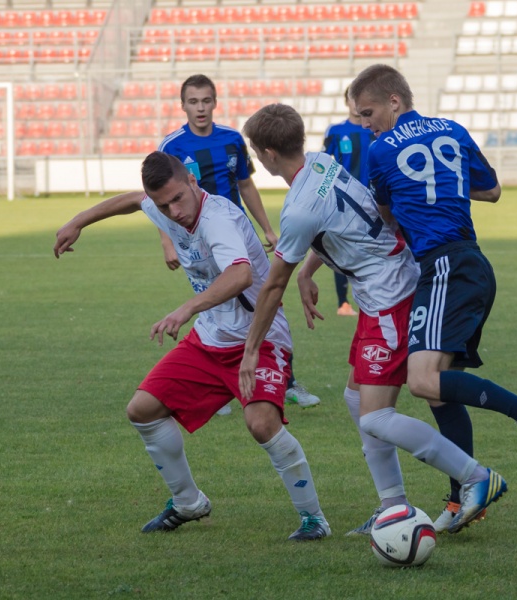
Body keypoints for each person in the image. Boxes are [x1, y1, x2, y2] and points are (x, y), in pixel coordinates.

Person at [238, 103, 507, 535]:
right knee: (355, 399)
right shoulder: (323, 163)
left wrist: (251, 350)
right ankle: (392, 505)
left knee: (375, 417)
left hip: (389, 300)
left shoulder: (298, 208)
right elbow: (348, 222)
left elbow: (272, 286)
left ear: (268, 154)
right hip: (382, 290)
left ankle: (475, 476)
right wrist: (309, 271)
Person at [53, 151, 330, 541]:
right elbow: (133, 200)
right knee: (142, 410)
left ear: (193, 182)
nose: (174, 212)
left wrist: (186, 308)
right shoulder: (164, 206)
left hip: (260, 337)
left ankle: (314, 519)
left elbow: (240, 274)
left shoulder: (218, 220)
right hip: (211, 338)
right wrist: (77, 221)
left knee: (261, 423)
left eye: (178, 199)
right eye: (164, 205)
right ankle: (188, 502)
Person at [348, 64, 517, 530]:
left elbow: (385, 215)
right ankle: (461, 499)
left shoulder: (381, 149)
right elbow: (493, 190)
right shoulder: (453, 129)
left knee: (422, 381)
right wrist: (446, 188)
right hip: (470, 263)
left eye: (367, 113)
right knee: (441, 393)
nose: (365, 124)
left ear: (394, 101)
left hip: (444, 267)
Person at [158, 74, 320, 411]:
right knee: (217, 309)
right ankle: (220, 383)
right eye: (193, 101)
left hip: (238, 237)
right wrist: (167, 242)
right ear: (183, 105)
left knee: (269, 303)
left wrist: (267, 229)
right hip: (200, 243)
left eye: (206, 101)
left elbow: (246, 186)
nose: (200, 108)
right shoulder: (171, 145)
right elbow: (159, 197)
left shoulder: (232, 139)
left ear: (215, 102)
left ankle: (286, 381)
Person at [321, 86, 376, 317]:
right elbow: (324, 162)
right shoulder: (336, 131)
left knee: (374, 249)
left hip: (374, 201)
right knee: (342, 250)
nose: (356, 104)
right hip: (344, 201)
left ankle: (374, 298)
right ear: (347, 102)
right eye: (352, 99)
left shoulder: (374, 129)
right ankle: (343, 302)